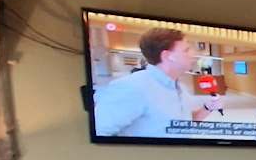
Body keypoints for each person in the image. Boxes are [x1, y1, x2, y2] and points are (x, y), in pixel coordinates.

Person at [92, 28, 221, 138]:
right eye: (186, 50)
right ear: (167, 56)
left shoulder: (180, 87)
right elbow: (100, 134)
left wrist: (207, 108)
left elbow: (183, 125)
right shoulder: (131, 87)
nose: (193, 54)